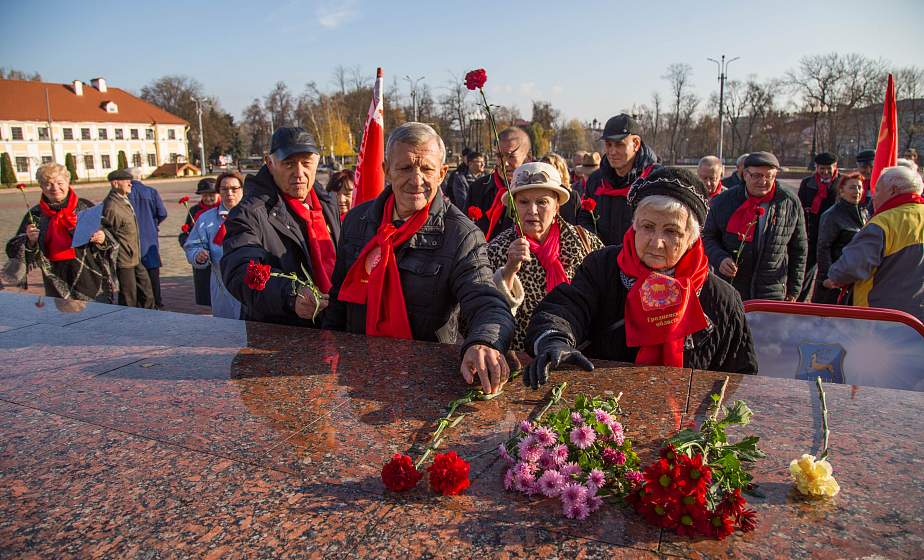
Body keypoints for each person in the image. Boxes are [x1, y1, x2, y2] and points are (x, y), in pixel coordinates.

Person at [523, 166, 757, 389]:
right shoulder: (603, 267)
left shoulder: (720, 298)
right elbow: (567, 307)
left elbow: (739, 378)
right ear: (634, 226)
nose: (656, 242)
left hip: (688, 422)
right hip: (603, 410)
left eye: (671, 231)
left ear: (693, 238)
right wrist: (555, 339)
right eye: (647, 227)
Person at [324, 122, 515, 395]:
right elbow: (339, 301)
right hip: (355, 374)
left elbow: (486, 300)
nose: (416, 180)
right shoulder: (357, 221)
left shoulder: (462, 235)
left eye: (426, 168)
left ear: (441, 173)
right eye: (404, 168)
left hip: (425, 381)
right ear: (386, 170)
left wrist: (485, 342)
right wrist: (328, 350)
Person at [221, 127, 341, 326]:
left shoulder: (327, 204)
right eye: (289, 164)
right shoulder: (249, 213)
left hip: (332, 324)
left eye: (306, 163)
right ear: (270, 163)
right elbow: (239, 272)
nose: (299, 173)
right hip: (281, 334)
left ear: (318, 161)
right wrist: (291, 295)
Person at [486, 161, 603, 351]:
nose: (532, 210)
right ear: (514, 206)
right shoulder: (496, 249)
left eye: (542, 202)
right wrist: (507, 273)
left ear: (557, 206)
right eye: (524, 202)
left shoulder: (585, 241)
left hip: (579, 356)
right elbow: (479, 318)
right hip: (521, 360)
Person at [702, 151, 807, 301]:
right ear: (745, 175)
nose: (762, 181)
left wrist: (794, 290)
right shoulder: (724, 201)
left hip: (772, 290)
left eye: (768, 176)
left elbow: (799, 249)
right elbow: (708, 236)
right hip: (731, 288)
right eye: (756, 175)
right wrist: (720, 258)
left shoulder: (789, 202)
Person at [824, 166, 924, 321]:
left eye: (877, 190)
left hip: (881, 318)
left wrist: (833, 277)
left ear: (893, 191)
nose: (873, 196)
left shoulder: (884, 222)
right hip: (917, 323)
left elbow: (849, 268)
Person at [5, 162, 114, 301]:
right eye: (48, 184)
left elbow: (111, 237)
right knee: (64, 319)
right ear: (41, 187)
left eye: (59, 182)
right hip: (56, 280)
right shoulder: (35, 214)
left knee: (95, 317)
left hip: (90, 276)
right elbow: (15, 251)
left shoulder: (84, 206)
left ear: (68, 182)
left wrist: (102, 238)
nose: (55, 188)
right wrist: (30, 241)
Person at [576, 114, 658, 246]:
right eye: (608, 145)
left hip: (641, 261)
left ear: (636, 143)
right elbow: (584, 217)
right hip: (603, 261)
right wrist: (596, 247)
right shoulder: (596, 180)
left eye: (619, 144)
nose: (612, 151)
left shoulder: (655, 180)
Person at [184, 171, 245, 319]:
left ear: (242, 190)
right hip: (221, 280)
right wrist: (198, 255)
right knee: (226, 324)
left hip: (249, 279)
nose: (229, 193)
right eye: (224, 189)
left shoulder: (254, 213)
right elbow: (192, 245)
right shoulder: (206, 218)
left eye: (234, 189)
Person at [465, 127, 532, 240]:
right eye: (499, 156)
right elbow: (465, 232)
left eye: (511, 156)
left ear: (527, 157)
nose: (504, 163)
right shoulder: (478, 189)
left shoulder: (539, 191)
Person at [102, 169, 155, 308]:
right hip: (124, 259)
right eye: (127, 181)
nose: (130, 184)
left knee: (146, 289)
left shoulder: (123, 199)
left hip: (134, 255)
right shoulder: (111, 206)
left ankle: (150, 316)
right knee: (128, 295)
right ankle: (129, 321)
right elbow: (108, 233)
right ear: (115, 183)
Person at [814, 172, 869, 304]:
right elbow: (823, 247)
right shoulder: (832, 215)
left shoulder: (864, 213)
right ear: (842, 191)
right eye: (852, 187)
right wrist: (828, 277)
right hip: (835, 280)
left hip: (856, 279)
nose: (857, 191)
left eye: (859, 187)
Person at [798, 152, 840, 300]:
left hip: (832, 235)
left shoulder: (841, 183)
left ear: (835, 167)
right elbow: (801, 206)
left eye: (829, 168)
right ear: (816, 168)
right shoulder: (807, 183)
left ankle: (822, 302)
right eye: (822, 168)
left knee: (828, 273)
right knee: (804, 272)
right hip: (811, 233)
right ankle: (799, 301)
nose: (825, 172)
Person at [127, 167, 167, 309]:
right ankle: (157, 300)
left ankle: (140, 300)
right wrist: (153, 222)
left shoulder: (125, 193)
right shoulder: (151, 192)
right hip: (149, 234)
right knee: (153, 271)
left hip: (130, 237)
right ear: (140, 176)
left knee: (134, 271)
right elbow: (162, 213)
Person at [179, 178, 221, 306]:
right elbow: (187, 234)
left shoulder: (223, 209)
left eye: (211, 195)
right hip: (203, 260)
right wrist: (192, 247)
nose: (208, 198)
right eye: (205, 195)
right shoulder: (194, 211)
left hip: (219, 259)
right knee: (205, 295)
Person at [539, 153, 582, 224]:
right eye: (543, 172)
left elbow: (579, 225)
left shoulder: (572, 197)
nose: (546, 176)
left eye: (550, 171)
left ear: (561, 173)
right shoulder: (534, 196)